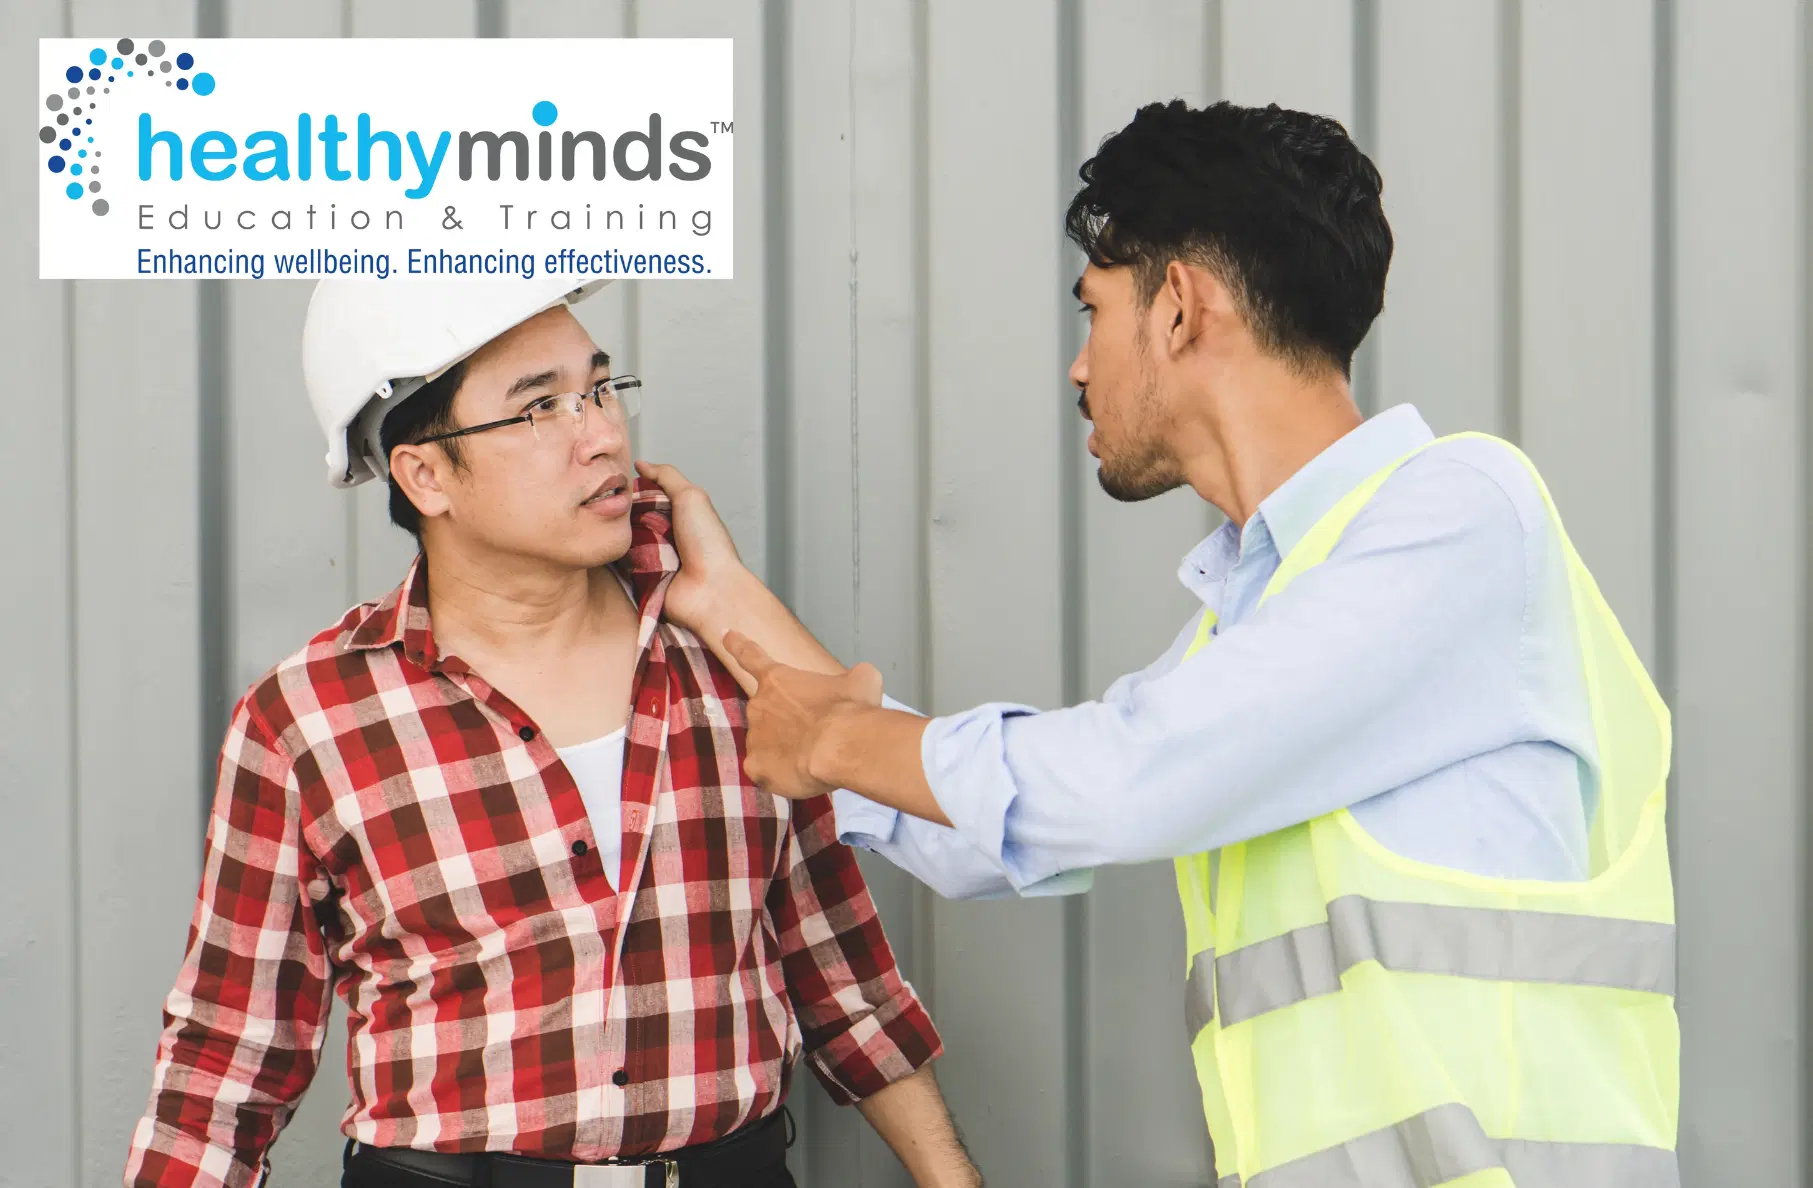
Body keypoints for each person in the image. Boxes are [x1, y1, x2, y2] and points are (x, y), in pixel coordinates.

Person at [642, 101, 1680, 1186]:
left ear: (1180, 307)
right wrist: (728, 608)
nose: (1080, 369)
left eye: (1094, 311)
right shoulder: (1272, 615)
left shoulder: (1460, 514)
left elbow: (1110, 780)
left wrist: (837, 746)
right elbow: (1000, 828)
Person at [123, 277, 979, 1188]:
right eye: (538, 409)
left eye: (601, 390)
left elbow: (844, 978)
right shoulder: (311, 719)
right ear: (425, 474)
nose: (603, 435)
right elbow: (225, 1063)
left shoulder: (734, 665)